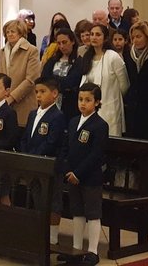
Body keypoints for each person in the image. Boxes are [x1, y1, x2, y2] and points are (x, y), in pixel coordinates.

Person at [59, 82, 108, 266]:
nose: (83, 103)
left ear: (97, 102)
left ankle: (92, 252)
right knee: (77, 212)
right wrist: (67, 170)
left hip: (90, 177)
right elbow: (66, 149)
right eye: (80, 99)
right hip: (72, 176)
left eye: (88, 100)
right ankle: (76, 249)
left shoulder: (100, 125)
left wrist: (78, 173)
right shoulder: (73, 122)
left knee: (92, 213)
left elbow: (96, 154)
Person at [21, 77, 66, 245]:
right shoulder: (33, 114)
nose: (38, 96)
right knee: (37, 197)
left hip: (50, 166)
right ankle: (40, 231)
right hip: (33, 163)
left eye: (42, 92)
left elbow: (52, 142)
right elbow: (26, 137)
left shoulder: (58, 116)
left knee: (53, 201)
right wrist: (26, 154)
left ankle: (53, 237)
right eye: (37, 92)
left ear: (54, 94)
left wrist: (36, 156)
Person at [80, 23, 130, 136]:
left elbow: (124, 85)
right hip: (91, 108)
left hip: (110, 107)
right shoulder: (87, 57)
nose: (93, 37)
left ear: (105, 38)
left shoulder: (113, 56)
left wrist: (113, 97)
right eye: (92, 34)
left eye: (98, 34)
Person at [123, 21, 148, 141]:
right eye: (133, 37)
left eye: (139, 36)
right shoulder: (130, 55)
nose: (135, 40)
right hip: (134, 105)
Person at [0, 19, 41, 129]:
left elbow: (31, 79)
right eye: (7, 32)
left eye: (13, 31)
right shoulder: (2, 52)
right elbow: (0, 76)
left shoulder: (31, 50)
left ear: (21, 33)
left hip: (24, 102)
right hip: (5, 100)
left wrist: (12, 97)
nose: (10, 34)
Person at [41, 28, 83, 122]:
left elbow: (70, 82)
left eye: (64, 42)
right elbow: (44, 78)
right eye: (59, 43)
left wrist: (53, 79)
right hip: (50, 102)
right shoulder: (52, 60)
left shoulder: (79, 62)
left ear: (72, 41)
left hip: (69, 106)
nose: (62, 46)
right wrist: (59, 80)